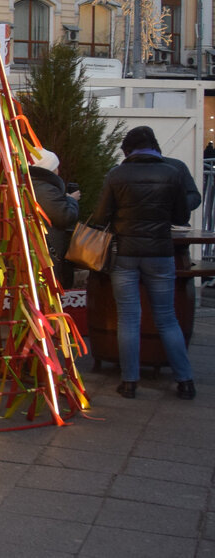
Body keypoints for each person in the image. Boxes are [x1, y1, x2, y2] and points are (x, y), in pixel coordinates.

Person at [93, 125, 194, 400]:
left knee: (128, 318)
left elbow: (100, 217)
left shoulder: (117, 174)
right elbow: (181, 216)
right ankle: (185, 381)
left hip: (124, 254)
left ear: (129, 148)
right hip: (161, 254)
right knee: (167, 318)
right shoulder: (172, 174)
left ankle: (129, 383)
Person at [28, 147, 79, 285]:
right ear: (48, 168)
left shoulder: (33, 185)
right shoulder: (44, 189)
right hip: (45, 250)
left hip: (39, 247)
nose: (58, 171)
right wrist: (71, 200)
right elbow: (64, 216)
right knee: (46, 288)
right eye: (56, 167)